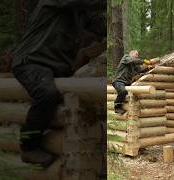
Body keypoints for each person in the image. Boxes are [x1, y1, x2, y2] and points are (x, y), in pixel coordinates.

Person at [12, 0, 105, 168]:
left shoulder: (82, 12)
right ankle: (29, 147)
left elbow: (100, 26)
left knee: (80, 92)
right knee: (46, 94)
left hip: (58, 67)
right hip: (33, 62)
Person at [112, 50, 157, 114]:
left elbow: (140, 70)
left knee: (132, 93)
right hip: (118, 81)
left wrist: (148, 68)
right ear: (131, 53)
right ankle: (117, 107)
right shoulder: (125, 58)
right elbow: (133, 60)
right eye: (136, 54)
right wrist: (144, 61)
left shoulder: (133, 65)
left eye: (138, 55)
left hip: (127, 83)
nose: (137, 56)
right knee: (123, 91)